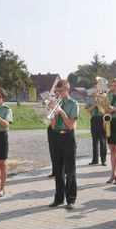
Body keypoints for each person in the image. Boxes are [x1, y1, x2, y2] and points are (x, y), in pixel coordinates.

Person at [48, 80, 79, 210]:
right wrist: (52, 113)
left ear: (67, 90)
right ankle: (58, 198)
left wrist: (61, 112)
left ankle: (71, 199)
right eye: (56, 91)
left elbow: (71, 125)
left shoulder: (73, 104)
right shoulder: (57, 103)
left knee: (70, 169)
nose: (58, 94)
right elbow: (54, 125)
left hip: (68, 136)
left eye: (60, 91)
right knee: (58, 169)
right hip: (56, 135)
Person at [85, 85, 107, 166]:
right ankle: (95, 160)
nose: (96, 89)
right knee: (94, 141)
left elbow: (107, 108)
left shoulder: (104, 96)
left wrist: (99, 101)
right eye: (95, 88)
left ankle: (103, 160)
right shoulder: (90, 97)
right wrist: (93, 105)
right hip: (94, 119)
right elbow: (87, 110)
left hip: (102, 119)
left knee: (103, 140)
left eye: (98, 88)